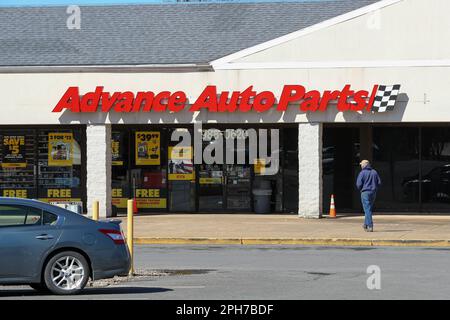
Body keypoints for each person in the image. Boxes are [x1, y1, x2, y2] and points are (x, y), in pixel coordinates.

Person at [356, 160, 381, 232]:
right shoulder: (374, 172)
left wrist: (361, 189)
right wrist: (375, 188)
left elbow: (358, 184)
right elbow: (379, 182)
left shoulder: (362, 173)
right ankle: (365, 225)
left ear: (364, 165)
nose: (361, 166)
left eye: (361, 165)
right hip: (373, 192)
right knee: (368, 209)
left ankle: (370, 225)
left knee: (367, 210)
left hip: (365, 193)